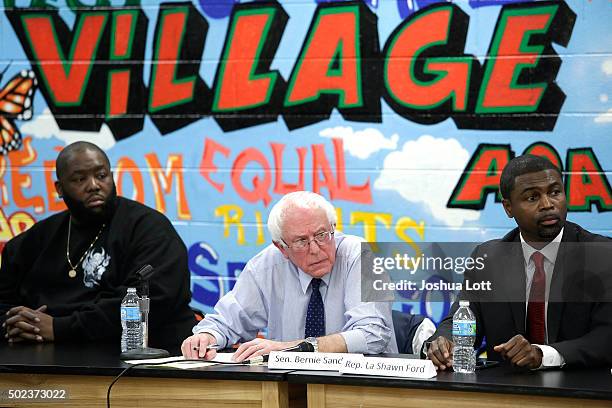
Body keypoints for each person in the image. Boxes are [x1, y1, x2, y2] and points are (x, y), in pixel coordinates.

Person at [0, 141, 196, 351]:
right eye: (79, 179)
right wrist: (16, 324)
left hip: (138, 359)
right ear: (60, 188)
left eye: (101, 175)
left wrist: (60, 328)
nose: (93, 185)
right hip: (42, 360)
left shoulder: (149, 228)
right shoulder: (36, 240)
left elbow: (150, 299)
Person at [425, 155, 612, 370]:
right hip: (506, 394)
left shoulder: (601, 255)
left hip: (582, 392)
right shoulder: (488, 259)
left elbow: (606, 338)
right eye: (532, 198)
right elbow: (463, 319)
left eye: (555, 192)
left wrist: (543, 355)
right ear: (508, 207)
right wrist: (445, 343)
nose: (548, 204)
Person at [182, 191, 398, 361]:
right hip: (290, 388)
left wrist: (291, 348)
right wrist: (206, 337)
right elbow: (227, 321)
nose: (315, 249)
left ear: (333, 228)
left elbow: (372, 335)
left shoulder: (361, 255)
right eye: (301, 241)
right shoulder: (266, 266)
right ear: (282, 248)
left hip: (362, 386)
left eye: (322, 235)